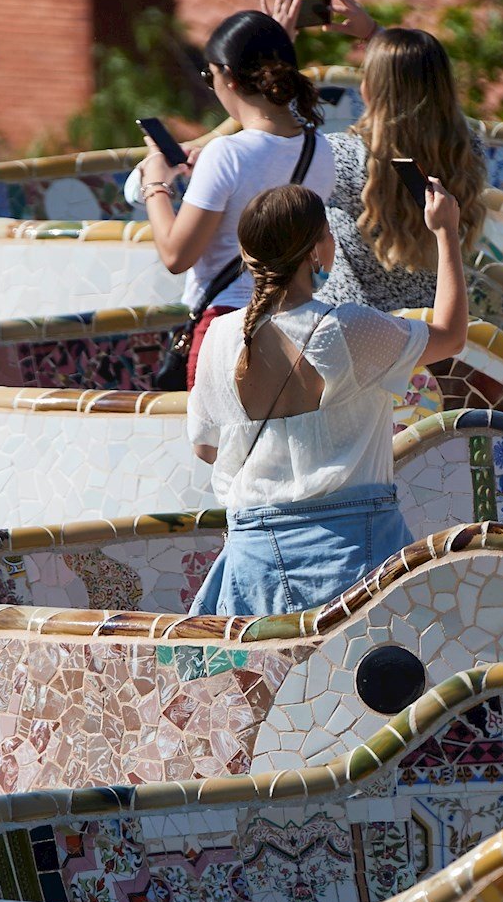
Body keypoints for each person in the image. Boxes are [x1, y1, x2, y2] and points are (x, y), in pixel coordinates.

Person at [186, 181, 471, 616]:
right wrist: (446, 231)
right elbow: (451, 336)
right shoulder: (349, 329)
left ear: (247, 257)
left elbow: (206, 447)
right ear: (317, 250)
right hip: (357, 550)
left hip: (255, 560)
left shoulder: (219, 338)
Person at [137, 10, 336, 384]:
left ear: (227, 76)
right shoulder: (320, 148)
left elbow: (177, 255)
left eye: (207, 75)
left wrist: (156, 184)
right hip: (295, 324)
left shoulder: (226, 154)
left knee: (215, 444)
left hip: (227, 328)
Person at [263, 0, 487, 311]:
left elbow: (280, 123)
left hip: (355, 330)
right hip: (427, 329)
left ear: (370, 90)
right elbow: (426, 90)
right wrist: (376, 35)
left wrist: (277, 54)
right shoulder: (467, 151)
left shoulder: (345, 160)